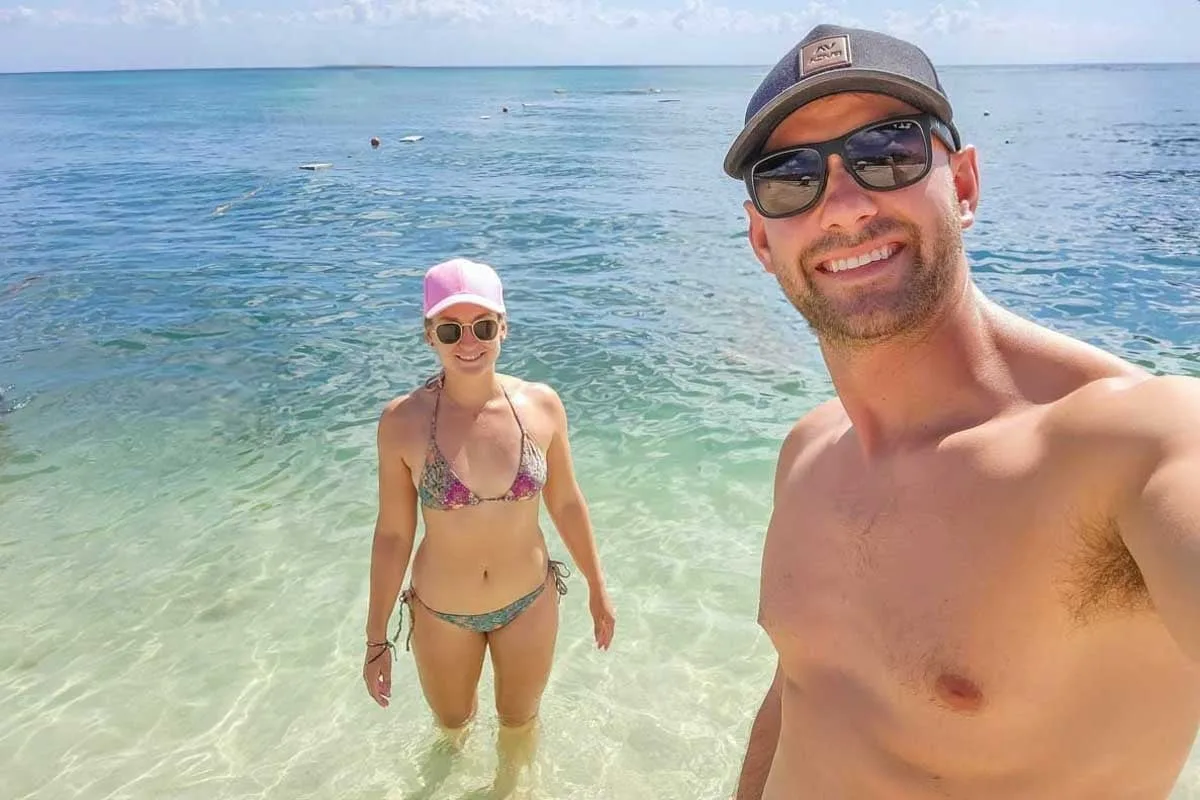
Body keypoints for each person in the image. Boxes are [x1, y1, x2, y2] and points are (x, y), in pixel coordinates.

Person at [722, 23, 1200, 800]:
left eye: (888, 153)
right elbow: (799, 700)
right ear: (760, 240)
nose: (841, 205)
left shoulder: (1134, 447)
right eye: (789, 178)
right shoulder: (807, 454)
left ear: (966, 185)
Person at [362, 257, 615, 784]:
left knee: (520, 722)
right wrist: (375, 637)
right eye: (451, 329)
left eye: (482, 326)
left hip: (529, 601)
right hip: (440, 611)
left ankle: (508, 791)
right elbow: (392, 534)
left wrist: (597, 587)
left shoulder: (542, 406)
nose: (468, 342)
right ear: (430, 334)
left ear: (503, 328)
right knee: (452, 726)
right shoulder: (402, 421)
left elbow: (567, 502)